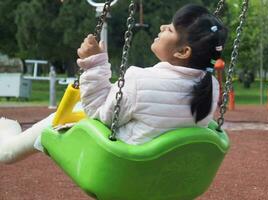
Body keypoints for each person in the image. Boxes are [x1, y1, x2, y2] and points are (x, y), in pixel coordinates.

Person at [0, 4, 228, 164]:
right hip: (167, 174)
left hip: (120, 166)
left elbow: (97, 112)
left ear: (182, 51)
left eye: (169, 29)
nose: (160, 28)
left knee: (52, 123)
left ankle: (6, 136)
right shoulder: (210, 88)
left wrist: (95, 63)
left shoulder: (139, 80)